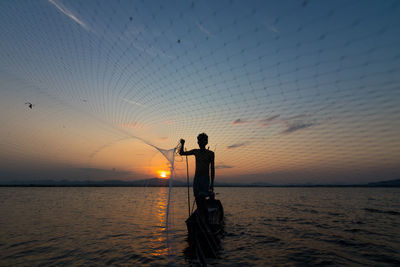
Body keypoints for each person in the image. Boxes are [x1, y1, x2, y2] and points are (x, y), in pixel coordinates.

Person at [180, 133, 215, 223]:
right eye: (200, 141)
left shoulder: (210, 154)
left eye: (203, 140)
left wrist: (212, 184)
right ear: (198, 142)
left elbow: (212, 169)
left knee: (202, 198)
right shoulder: (196, 151)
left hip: (205, 178)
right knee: (197, 199)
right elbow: (182, 153)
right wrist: (182, 144)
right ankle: (201, 216)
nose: (201, 142)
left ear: (206, 142)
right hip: (197, 178)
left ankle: (206, 218)